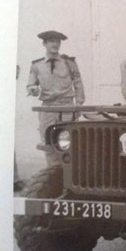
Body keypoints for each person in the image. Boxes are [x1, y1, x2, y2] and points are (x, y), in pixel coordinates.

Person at [27, 30, 85, 165]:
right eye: (52, 41)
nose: (56, 44)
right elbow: (30, 85)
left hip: (67, 109)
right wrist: (33, 90)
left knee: (70, 145)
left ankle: (70, 179)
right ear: (44, 43)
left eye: (58, 41)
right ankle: (54, 178)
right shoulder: (37, 65)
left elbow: (78, 83)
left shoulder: (69, 63)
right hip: (47, 111)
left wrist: (79, 105)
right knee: (49, 146)